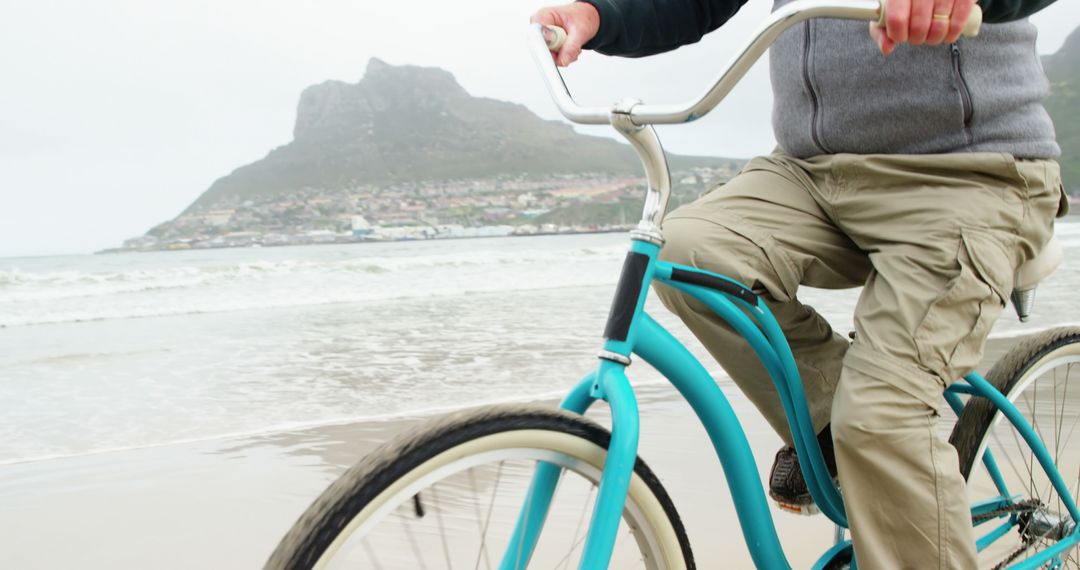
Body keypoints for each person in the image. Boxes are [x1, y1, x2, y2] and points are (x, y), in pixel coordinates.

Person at [531, 0, 1068, 567]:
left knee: (882, 414)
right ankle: (837, 433)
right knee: (688, 252)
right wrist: (600, 14)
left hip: (969, 171)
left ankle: (873, 429)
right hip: (813, 171)